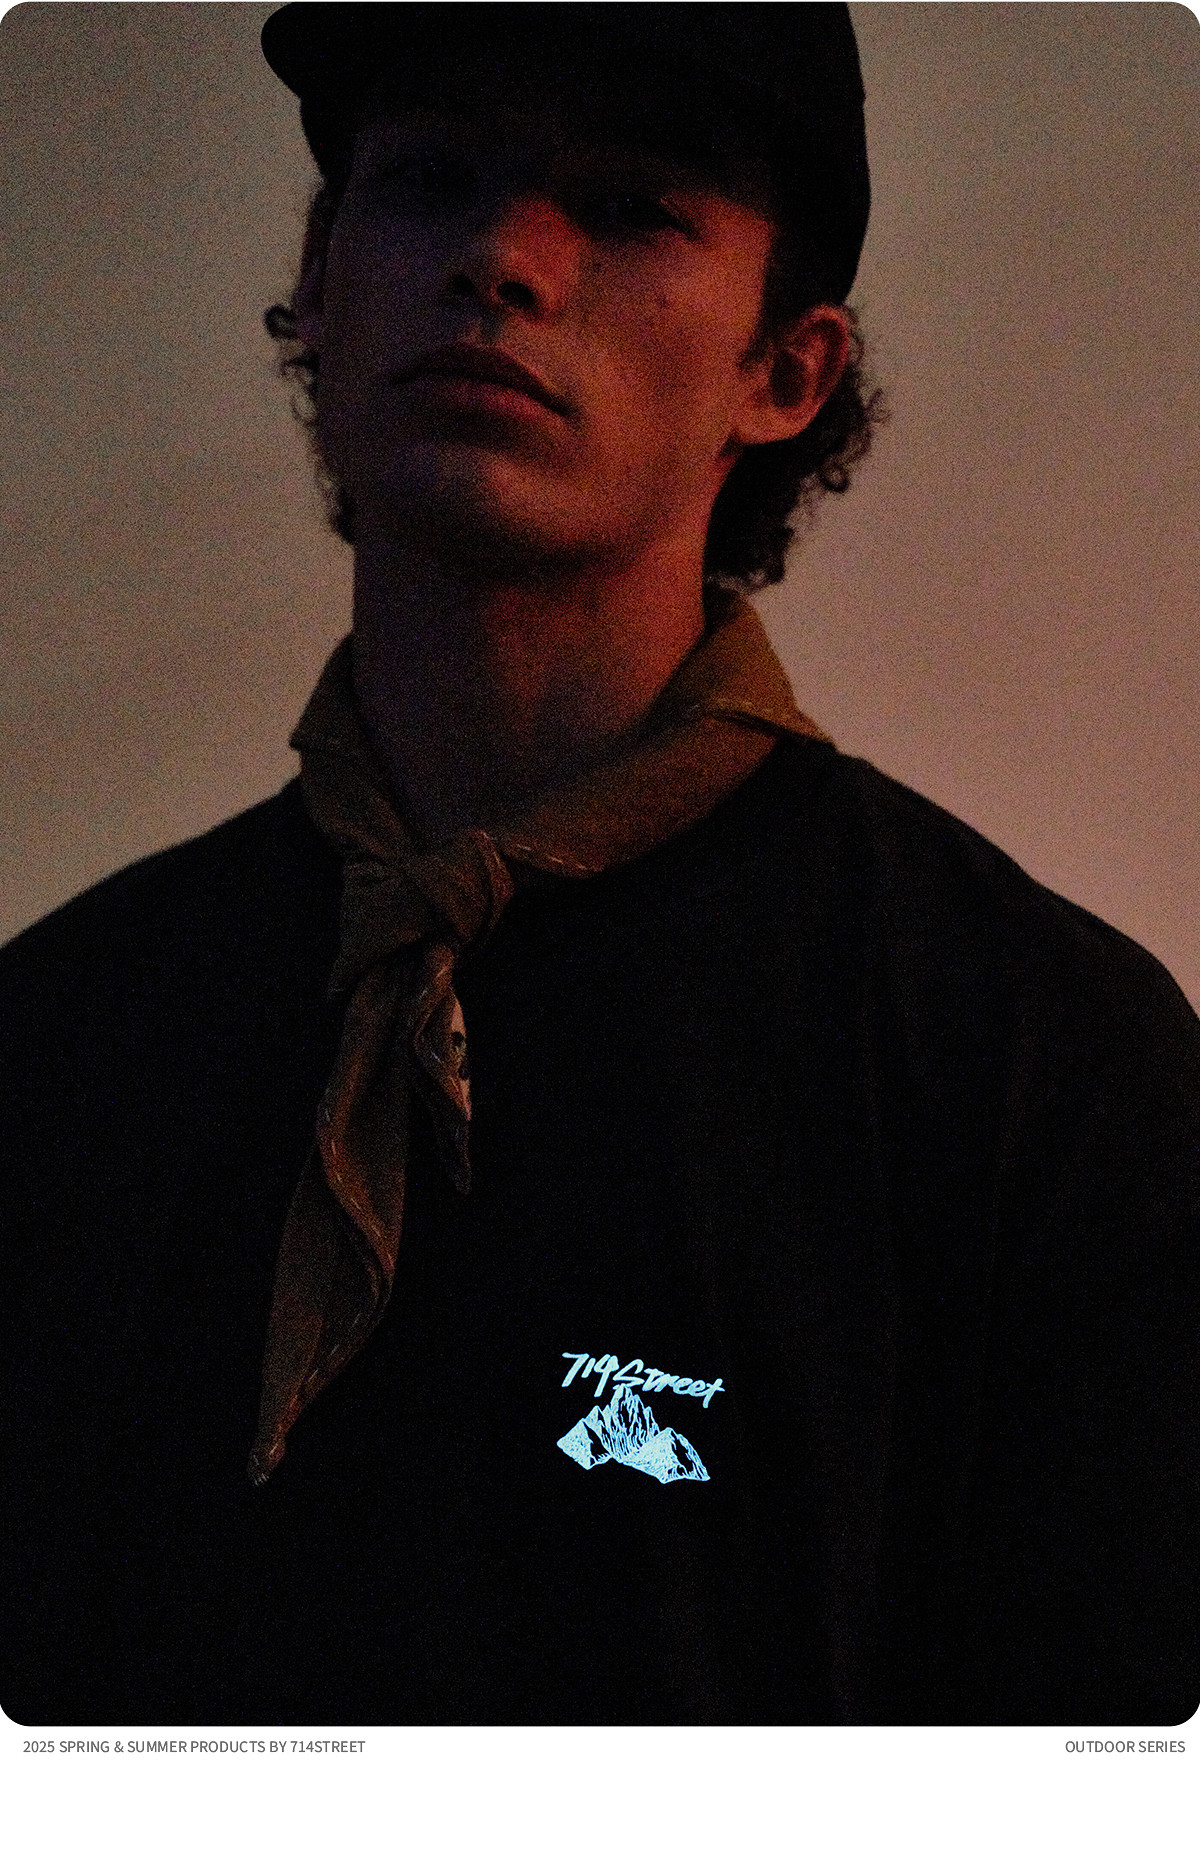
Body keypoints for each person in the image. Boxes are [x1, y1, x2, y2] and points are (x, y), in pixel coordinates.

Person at [1, 3, 1196, 1728]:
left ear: (789, 372)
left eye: (631, 206)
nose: (501, 256)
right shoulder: (58, 1038)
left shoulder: (1036, 1066)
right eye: (430, 176)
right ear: (321, 281)